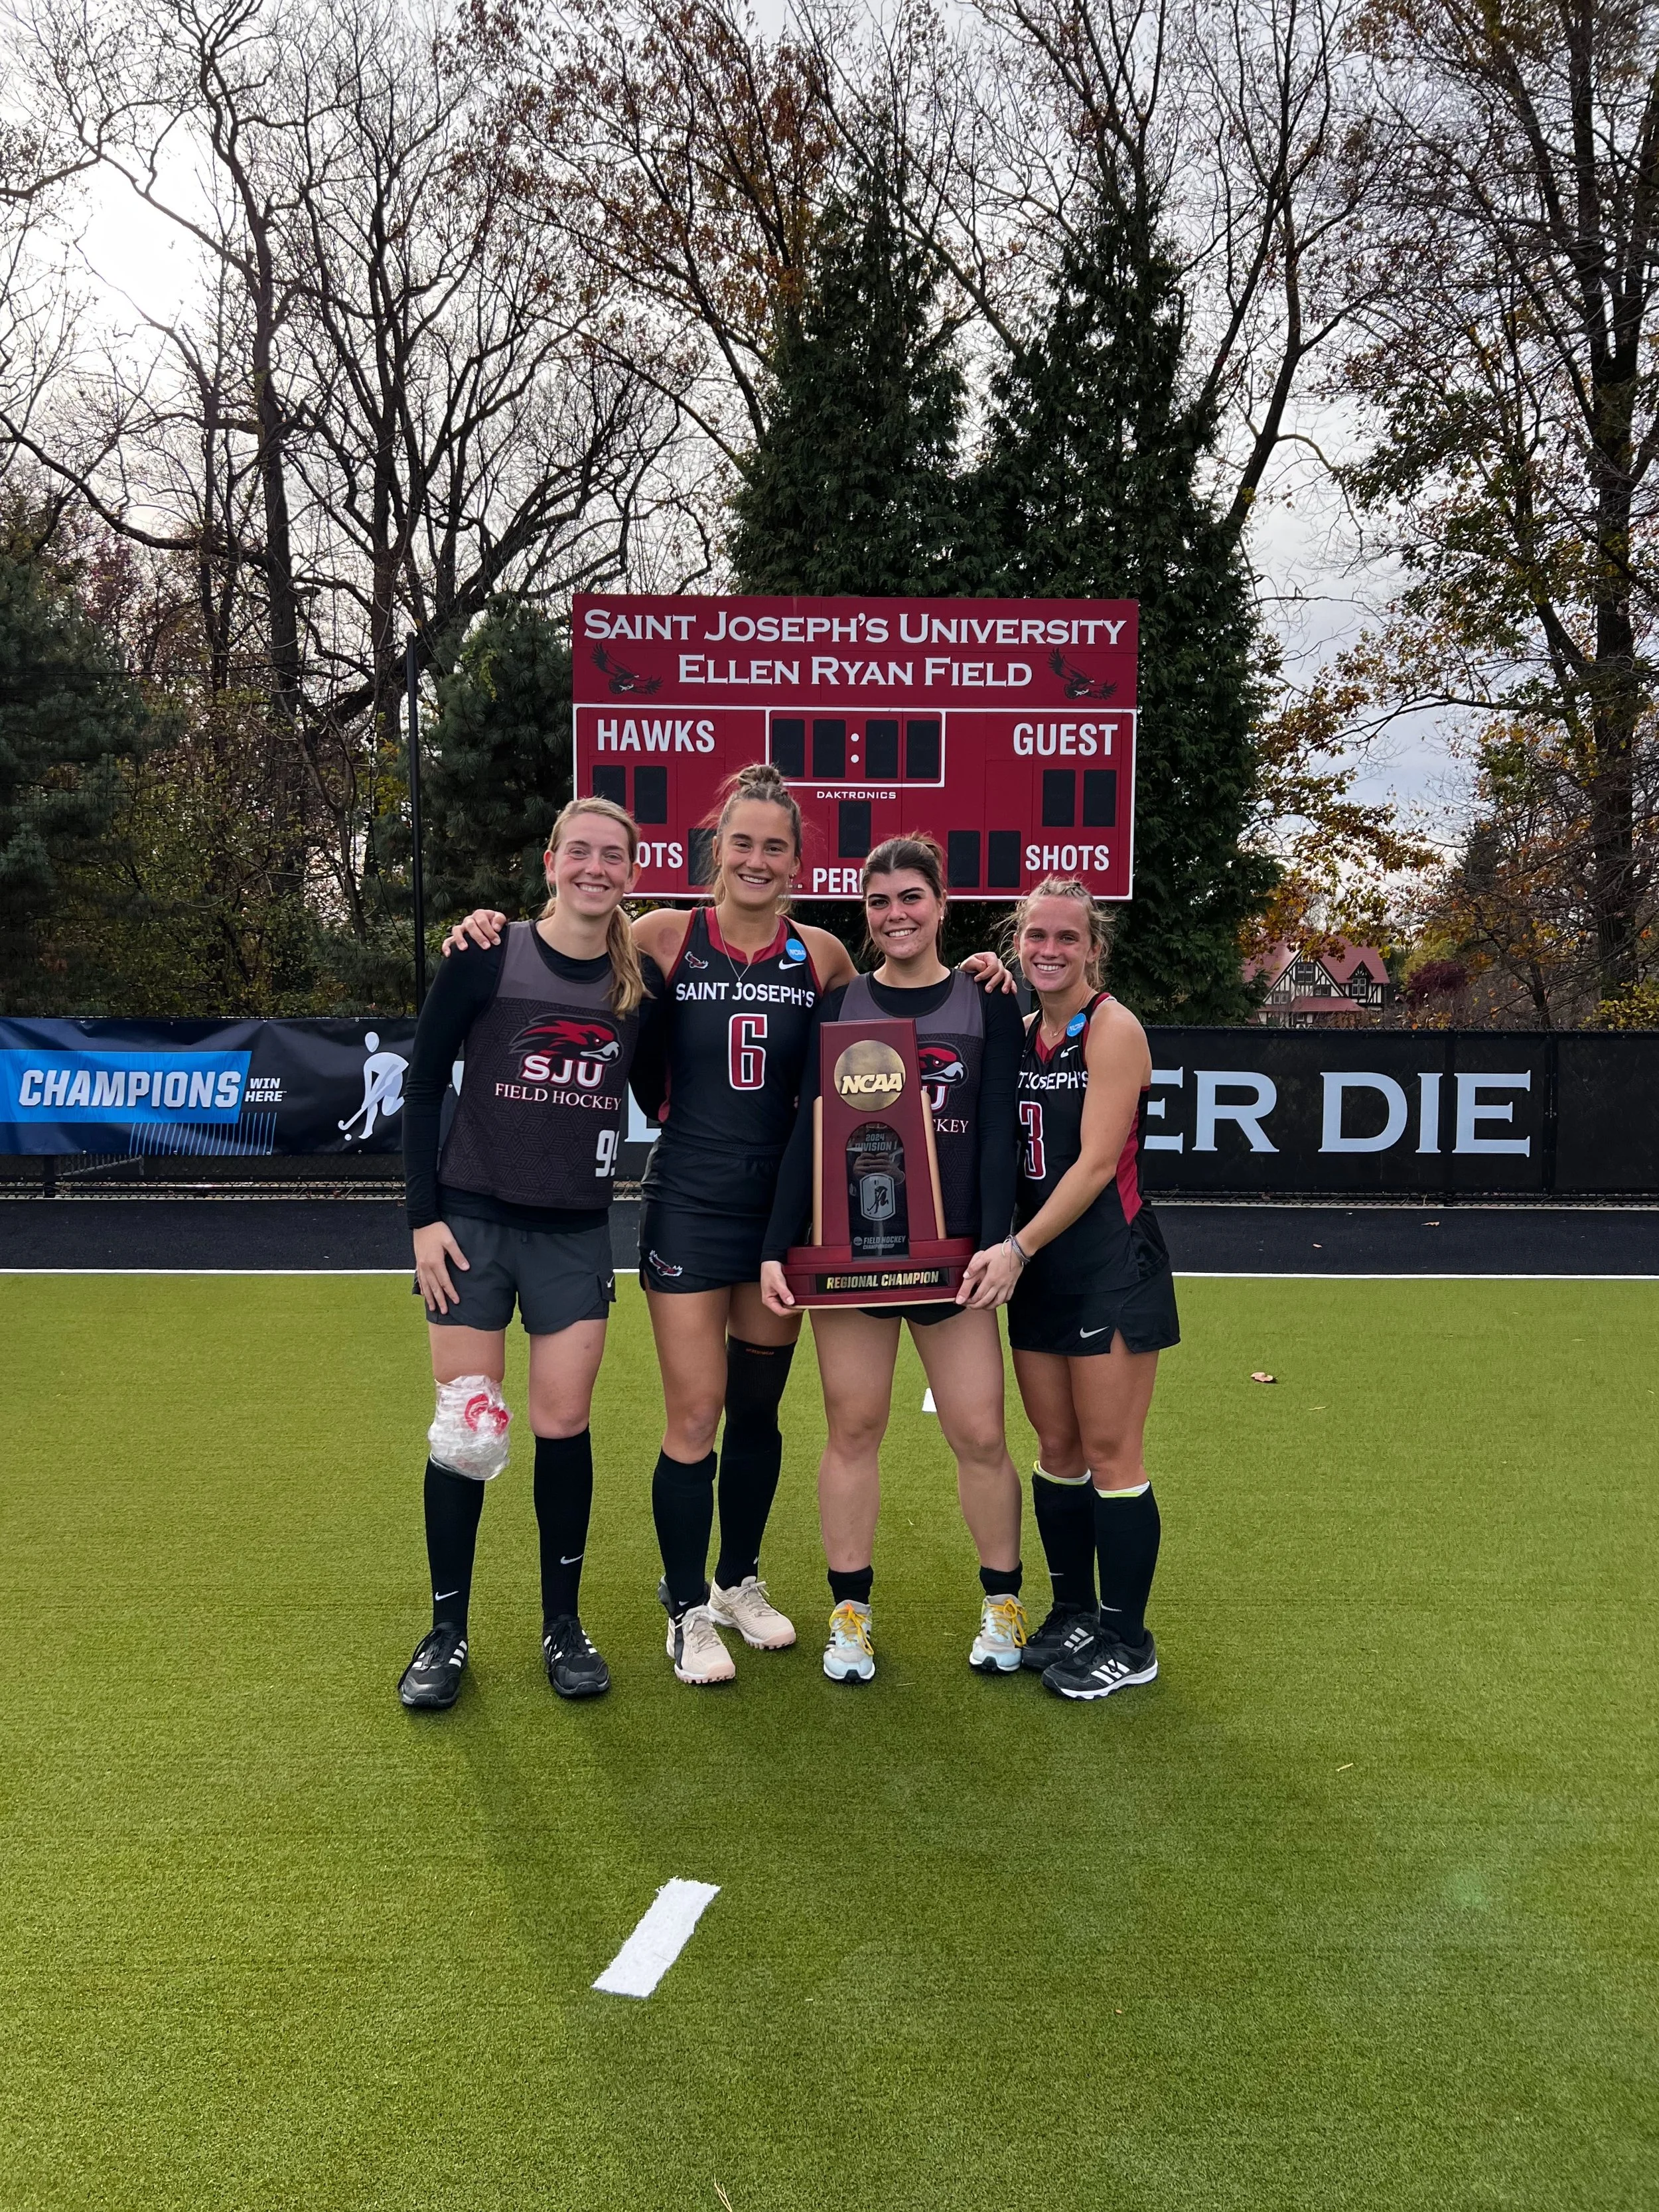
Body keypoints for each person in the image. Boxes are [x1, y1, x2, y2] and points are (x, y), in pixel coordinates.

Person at [443, 765, 1015, 1690]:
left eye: (775, 846)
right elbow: (565, 933)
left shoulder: (824, 958)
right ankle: (683, 1608)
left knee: (758, 1408)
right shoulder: (662, 935)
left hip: (787, 1215)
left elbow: (895, 1010)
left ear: (797, 861)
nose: (756, 858)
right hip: (690, 1201)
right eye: (741, 841)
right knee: (695, 1412)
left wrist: (987, 966)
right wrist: (479, 927)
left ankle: (738, 1578)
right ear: (717, 848)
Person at [396, 796, 662, 1711]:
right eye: (579, 851)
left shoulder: (641, 984)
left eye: (613, 856)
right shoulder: (485, 951)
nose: (596, 867)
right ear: (550, 860)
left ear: (632, 869)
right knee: (467, 1430)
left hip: (574, 1233)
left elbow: (676, 1084)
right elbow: (424, 1084)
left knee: (561, 1427)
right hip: (468, 1229)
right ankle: (446, 1632)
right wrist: (423, 1218)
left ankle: (562, 1624)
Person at [760, 834, 1027, 1685]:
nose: (896, 914)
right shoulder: (839, 1004)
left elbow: (992, 1134)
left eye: (911, 897)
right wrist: (778, 1248)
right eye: (879, 902)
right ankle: (850, 1613)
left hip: (954, 1263)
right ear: (866, 916)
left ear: (941, 906)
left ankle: (1003, 1602)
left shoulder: (985, 1000)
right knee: (854, 1429)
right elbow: (808, 1129)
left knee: (980, 1432)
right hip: (854, 1260)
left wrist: (995, 1242)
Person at [977, 875, 1179, 1702]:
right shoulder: (1020, 1031)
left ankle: (1129, 1639)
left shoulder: (1113, 1028)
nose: (1050, 951)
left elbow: (1097, 1165)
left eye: (1067, 938)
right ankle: (1070, 1613)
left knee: (1110, 1457)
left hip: (1106, 1269)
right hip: (1042, 1272)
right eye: (1036, 938)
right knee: (1056, 1455)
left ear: (1093, 946)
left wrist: (1016, 1248)